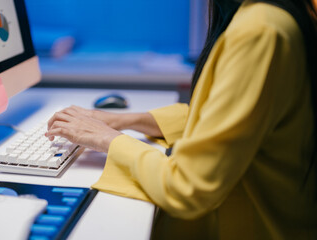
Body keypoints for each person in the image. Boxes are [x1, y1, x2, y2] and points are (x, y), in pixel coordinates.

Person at [46, 0, 317, 239]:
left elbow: (188, 187)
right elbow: (223, 116)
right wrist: (125, 120)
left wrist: (108, 139)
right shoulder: (275, 16)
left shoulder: (260, 30)